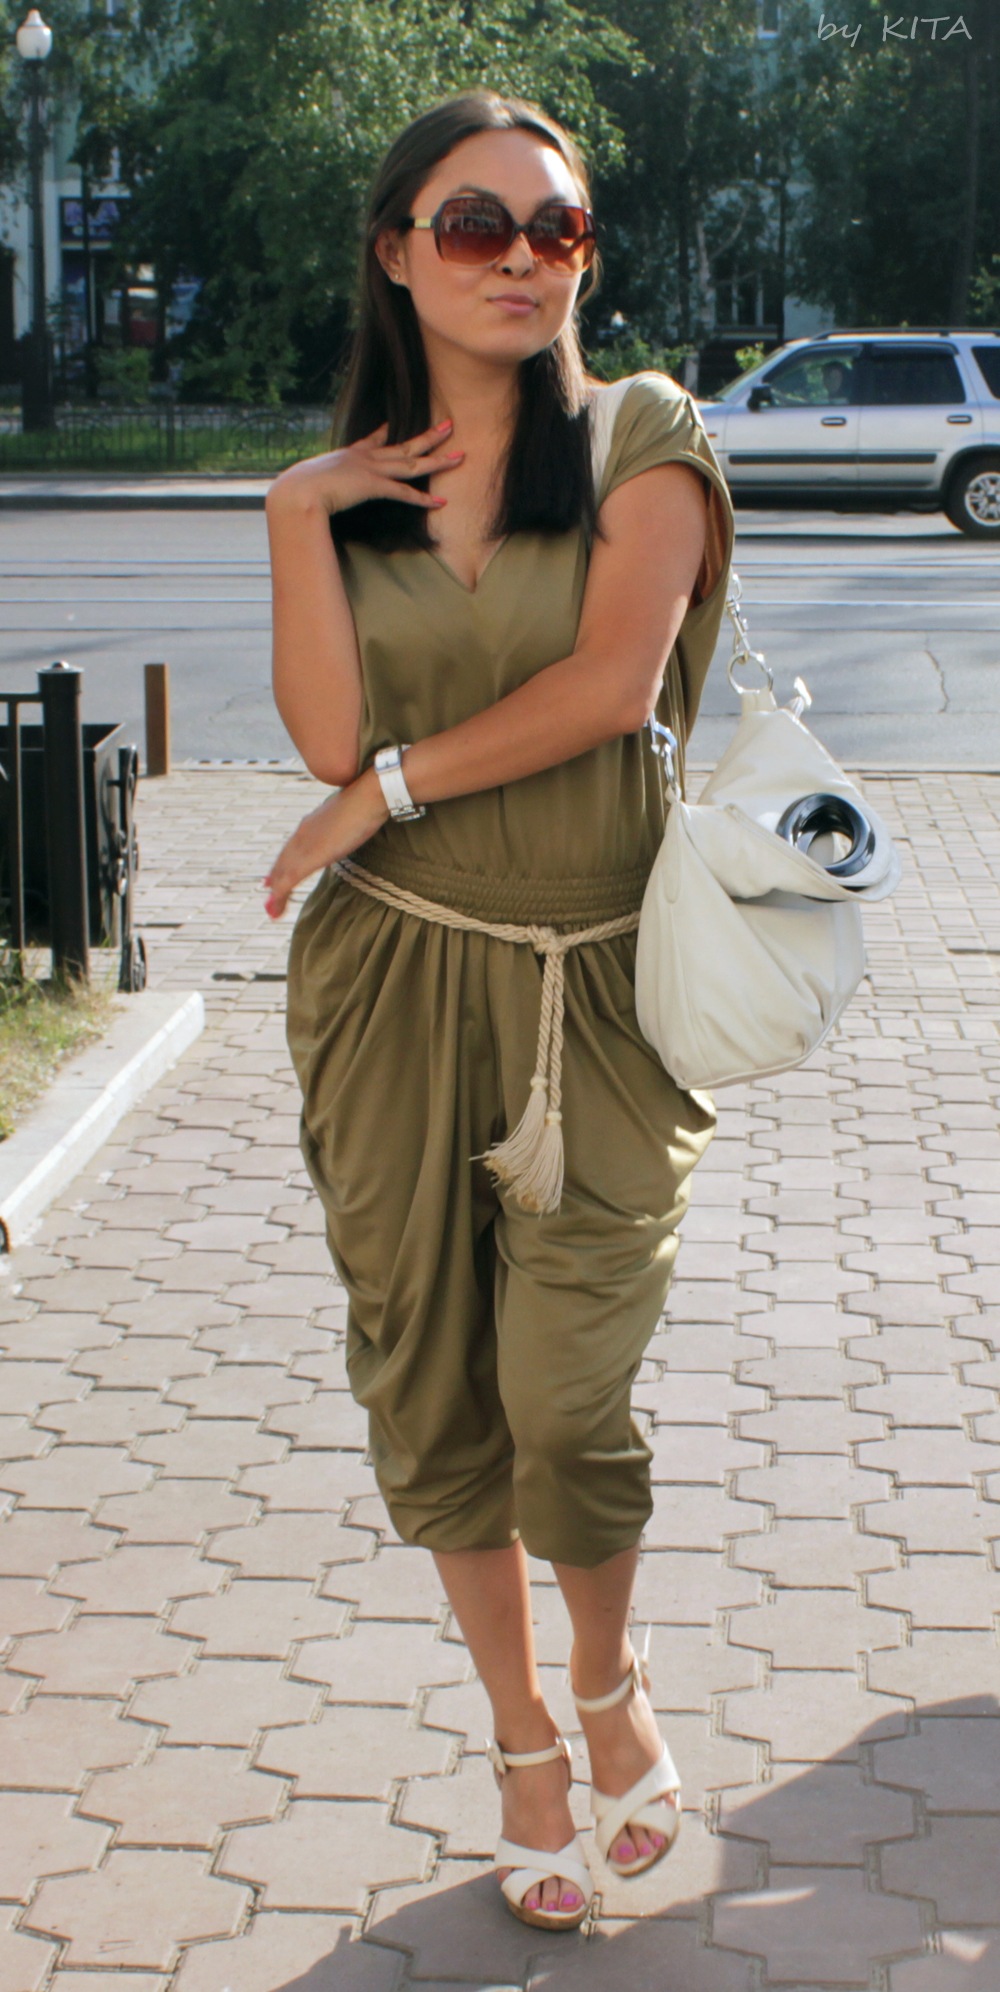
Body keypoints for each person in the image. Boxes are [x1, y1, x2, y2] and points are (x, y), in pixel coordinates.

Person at [262, 89, 734, 1934]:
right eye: (478, 226)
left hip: (591, 988)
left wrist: (383, 790)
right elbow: (321, 733)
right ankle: (524, 1734)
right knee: (430, 1375)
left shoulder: (639, 435)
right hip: (388, 983)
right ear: (398, 251)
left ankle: (609, 1683)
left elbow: (613, 686)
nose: (524, 259)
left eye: (559, 228)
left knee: (562, 1393)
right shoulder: (351, 493)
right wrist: (298, 512)